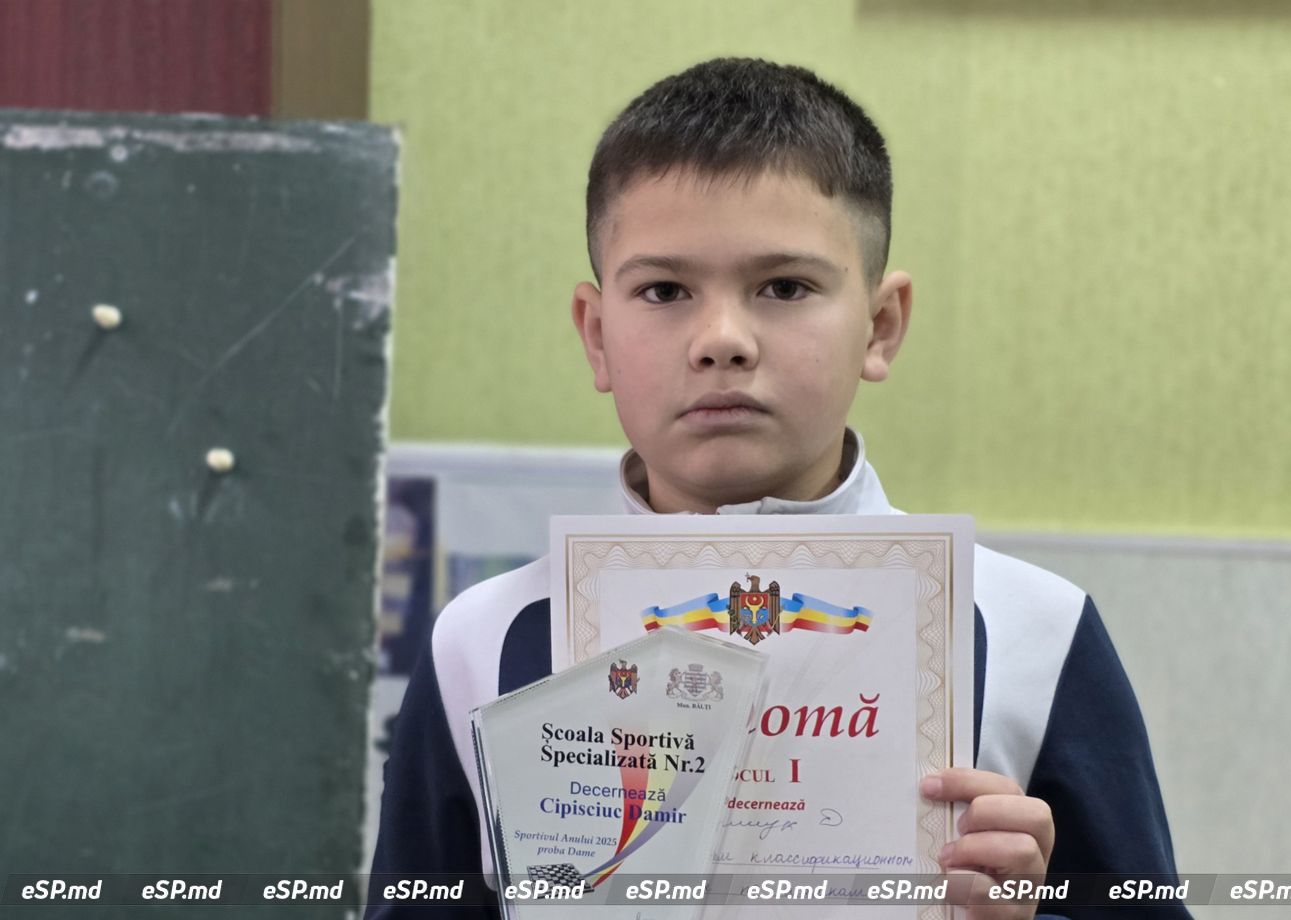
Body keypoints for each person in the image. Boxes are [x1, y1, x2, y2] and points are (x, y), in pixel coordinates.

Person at [367, 57, 1189, 920]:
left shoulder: (1035, 632)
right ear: (597, 334)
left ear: (880, 325)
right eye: (664, 290)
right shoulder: (482, 642)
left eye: (785, 287)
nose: (722, 339)